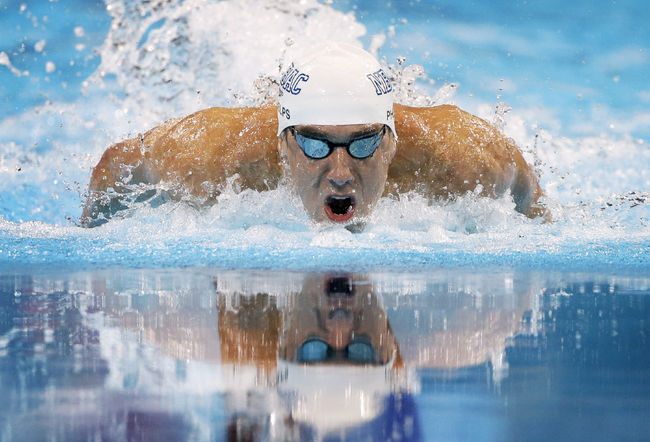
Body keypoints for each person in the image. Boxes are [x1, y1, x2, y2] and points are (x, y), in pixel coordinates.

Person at [82, 42, 548, 227]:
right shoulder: (217, 159)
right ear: (284, 143)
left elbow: (527, 191)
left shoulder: (458, 159)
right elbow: (116, 164)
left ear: (390, 143)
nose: (340, 173)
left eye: (363, 143)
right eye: (314, 144)